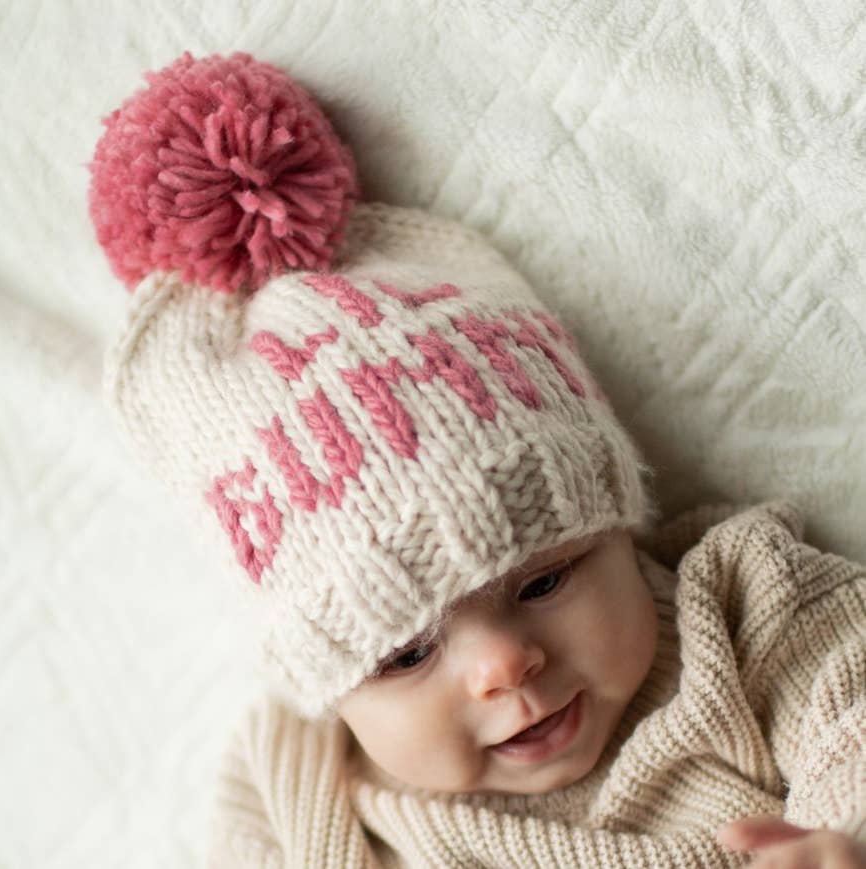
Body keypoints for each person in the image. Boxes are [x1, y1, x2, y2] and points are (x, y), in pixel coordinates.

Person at [87, 52, 866, 868]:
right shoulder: (297, 788)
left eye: (545, 580)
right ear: (330, 685)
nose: (500, 664)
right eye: (404, 654)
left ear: (618, 526)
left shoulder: (745, 604)